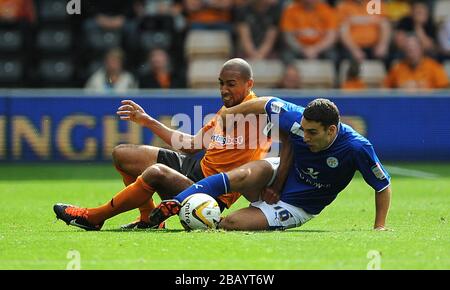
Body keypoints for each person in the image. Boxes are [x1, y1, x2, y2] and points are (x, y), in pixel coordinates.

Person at [53, 58, 272, 230]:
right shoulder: (227, 108)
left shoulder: (258, 111)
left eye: (231, 84)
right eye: (221, 84)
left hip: (212, 192)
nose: (224, 89)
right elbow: (191, 144)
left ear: (249, 84)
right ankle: (149, 218)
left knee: (154, 173)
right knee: (122, 154)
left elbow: (272, 116)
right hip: (197, 169)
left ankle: (94, 217)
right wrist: (148, 121)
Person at [149, 97, 392, 231]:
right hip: (279, 173)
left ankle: (204, 219)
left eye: (312, 133)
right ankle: (178, 201)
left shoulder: (357, 147)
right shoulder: (297, 119)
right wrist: (231, 112)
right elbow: (267, 103)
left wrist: (379, 227)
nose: (305, 137)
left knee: (232, 223)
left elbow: (382, 186)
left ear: (331, 131)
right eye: (303, 130)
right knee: (242, 174)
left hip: (298, 205)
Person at [384, 35, 449, 89]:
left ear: (421, 49)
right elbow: (384, 88)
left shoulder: (434, 67)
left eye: (414, 48)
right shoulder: (397, 68)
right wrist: (400, 89)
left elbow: (445, 90)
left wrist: (426, 89)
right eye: (408, 49)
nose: (411, 52)